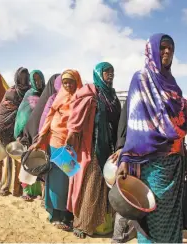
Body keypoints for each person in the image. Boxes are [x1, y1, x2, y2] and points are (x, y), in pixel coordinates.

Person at [117, 34, 187, 243]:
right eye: (163, 48)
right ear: (151, 51)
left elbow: (176, 126)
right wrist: (126, 158)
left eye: (171, 49)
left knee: (172, 218)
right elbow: (135, 122)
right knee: (152, 214)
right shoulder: (141, 78)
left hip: (175, 162)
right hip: (151, 163)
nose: (167, 52)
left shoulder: (173, 84)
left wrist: (184, 153)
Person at [65, 62, 121, 239]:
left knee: (107, 185)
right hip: (93, 146)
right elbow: (76, 117)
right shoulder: (90, 93)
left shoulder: (112, 96)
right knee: (91, 184)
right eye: (106, 72)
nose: (110, 75)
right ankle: (82, 224)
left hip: (110, 147)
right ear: (98, 74)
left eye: (112, 72)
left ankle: (103, 226)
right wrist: (70, 136)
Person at [30, 69, 82, 230]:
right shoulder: (58, 98)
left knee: (70, 180)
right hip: (57, 143)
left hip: (73, 145)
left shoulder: (80, 98)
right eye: (65, 82)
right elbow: (49, 118)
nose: (67, 85)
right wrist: (40, 138)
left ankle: (67, 214)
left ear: (77, 81)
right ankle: (56, 216)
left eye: (71, 81)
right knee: (58, 182)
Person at [0, 67, 30, 196]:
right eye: (21, 76)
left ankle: (19, 188)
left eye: (26, 76)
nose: (24, 79)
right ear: (16, 77)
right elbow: (2, 112)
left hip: (23, 131)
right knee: (8, 160)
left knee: (21, 160)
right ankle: (5, 186)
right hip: (8, 130)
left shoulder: (31, 92)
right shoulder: (11, 92)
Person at [13, 70, 45, 200]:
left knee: (40, 162)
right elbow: (21, 115)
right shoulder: (28, 95)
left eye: (39, 79)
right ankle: (26, 190)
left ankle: (38, 192)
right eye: (35, 80)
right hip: (28, 135)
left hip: (41, 135)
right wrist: (19, 134)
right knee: (27, 162)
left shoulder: (46, 94)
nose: (37, 82)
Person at [109, 97, 137, 243]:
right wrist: (121, 148)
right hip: (131, 157)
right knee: (125, 196)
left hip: (152, 160)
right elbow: (123, 124)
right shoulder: (134, 98)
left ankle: (132, 233)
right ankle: (118, 236)